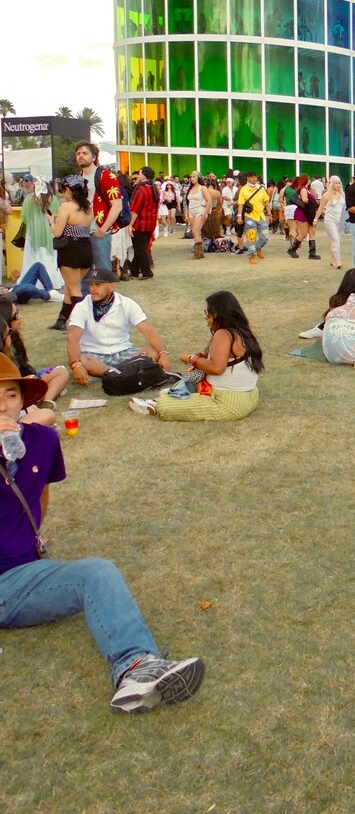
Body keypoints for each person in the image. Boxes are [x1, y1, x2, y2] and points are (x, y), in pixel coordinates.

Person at [0, 356, 205, 713]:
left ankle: (136, 669)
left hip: (23, 574)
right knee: (94, 573)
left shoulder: (43, 440)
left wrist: (29, 540)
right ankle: (136, 667)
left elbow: (39, 495)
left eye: (11, 395)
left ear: (22, 401)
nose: (3, 406)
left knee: (97, 573)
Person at [130, 291, 262, 420]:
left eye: (207, 312)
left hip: (228, 402)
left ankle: (157, 404)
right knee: (184, 386)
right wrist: (203, 359)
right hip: (250, 397)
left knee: (166, 405)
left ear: (217, 314)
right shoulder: (243, 332)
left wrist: (191, 358)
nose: (205, 317)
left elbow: (217, 368)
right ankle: (166, 398)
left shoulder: (223, 334)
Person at [66, 267, 173, 385]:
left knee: (151, 353)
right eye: (91, 284)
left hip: (123, 351)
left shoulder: (126, 303)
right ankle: (122, 373)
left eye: (98, 285)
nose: (93, 289)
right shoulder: (82, 306)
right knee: (81, 360)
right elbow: (73, 338)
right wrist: (76, 364)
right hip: (93, 355)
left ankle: (112, 374)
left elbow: (147, 330)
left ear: (111, 286)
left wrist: (163, 354)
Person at [0, 298, 67, 418]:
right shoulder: (4, 356)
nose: (20, 317)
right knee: (47, 416)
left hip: (24, 383)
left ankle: (46, 401)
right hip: (19, 388)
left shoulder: (13, 342)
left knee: (61, 372)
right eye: (16, 315)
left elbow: (26, 368)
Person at [46, 176, 93, 331]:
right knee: (70, 286)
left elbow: (57, 232)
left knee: (74, 289)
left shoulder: (66, 206)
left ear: (68, 190)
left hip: (70, 250)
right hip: (86, 248)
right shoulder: (88, 207)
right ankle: (62, 319)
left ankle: (85, 323)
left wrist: (51, 221)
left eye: (64, 191)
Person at [75, 142, 123, 284]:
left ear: (94, 156)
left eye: (84, 153)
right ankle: (85, 297)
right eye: (78, 153)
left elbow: (117, 205)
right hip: (81, 230)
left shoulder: (105, 176)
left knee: (102, 270)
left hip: (98, 229)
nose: (80, 156)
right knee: (83, 270)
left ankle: (107, 296)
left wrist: (103, 229)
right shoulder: (78, 178)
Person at [16, 181, 63, 293]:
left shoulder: (29, 199)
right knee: (50, 257)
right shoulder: (54, 199)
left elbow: (25, 218)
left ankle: (32, 280)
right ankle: (51, 280)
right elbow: (56, 216)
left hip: (33, 233)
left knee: (32, 257)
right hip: (49, 231)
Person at [128, 167, 160, 280]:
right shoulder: (154, 188)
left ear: (144, 175)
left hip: (140, 224)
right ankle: (134, 270)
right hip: (150, 223)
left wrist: (130, 224)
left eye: (140, 173)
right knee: (141, 248)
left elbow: (135, 209)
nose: (138, 176)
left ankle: (147, 272)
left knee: (140, 249)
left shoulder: (141, 189)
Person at [236, 171, 270, 265]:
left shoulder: (261, 188)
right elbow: (240, 204)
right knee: (251, 237)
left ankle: (258, 247)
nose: (255, 179)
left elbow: (266, 201)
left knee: (265, 236)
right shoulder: (244, 190)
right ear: (248, 178)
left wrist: (269, 213)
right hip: (250, 216)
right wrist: (239, 216)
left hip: (261, 216)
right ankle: (251, 255)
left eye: (255, 177)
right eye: (252, 177)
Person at [286, 175, 320, 260]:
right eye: (308, 179)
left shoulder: (307, 189)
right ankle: (292, 249)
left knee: (312, 232)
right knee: (304, 233)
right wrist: (312, 202)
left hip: (308, 213)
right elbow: (304, 200)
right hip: (303, 213)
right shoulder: (303, 189)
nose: (309, 180)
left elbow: (314, 196)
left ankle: (312, 253)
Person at [314, 176, 346, 268]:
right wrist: (315, 219)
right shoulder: (326, 195)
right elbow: (320, 208)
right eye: (335, 183)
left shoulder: (342, 194)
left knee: (336, 240)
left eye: (339, 183)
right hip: (329, 220)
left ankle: (333, 260)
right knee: (335, 240)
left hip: (340, 220)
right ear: (331, 184)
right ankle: (338, 262)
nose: (338, 185)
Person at [185, 171, 212, 260]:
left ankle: (198, 252)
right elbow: (188, 203)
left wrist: (205, 212)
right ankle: (199, 252)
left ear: (198, 178)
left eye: (194, 177)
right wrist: (187, 214)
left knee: (195, 231)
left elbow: (209, 200)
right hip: (191, 211)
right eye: (191, 177)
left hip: (200, 210)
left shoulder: (202, 188)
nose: (192, 178)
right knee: (196, 232)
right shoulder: (190, 189)